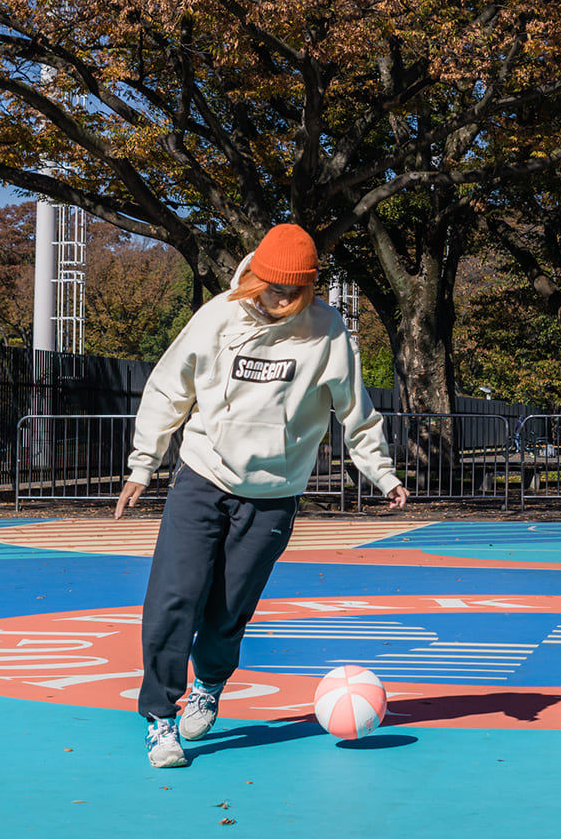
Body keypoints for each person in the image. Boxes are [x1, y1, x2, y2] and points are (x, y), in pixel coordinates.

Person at [114, 224, 408, 768]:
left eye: (292, 290)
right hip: (202, 476)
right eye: (271, 285)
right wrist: (143, 465)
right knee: (174, 598)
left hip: (274, 494)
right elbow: (167, 390)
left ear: (310, 288)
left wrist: (382, 473)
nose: (280, 297)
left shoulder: (328, 332)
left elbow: (354, 411)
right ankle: (159, 717)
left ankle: (209, 684)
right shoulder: (217, 317)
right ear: (254, 277)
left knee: (229, 608)